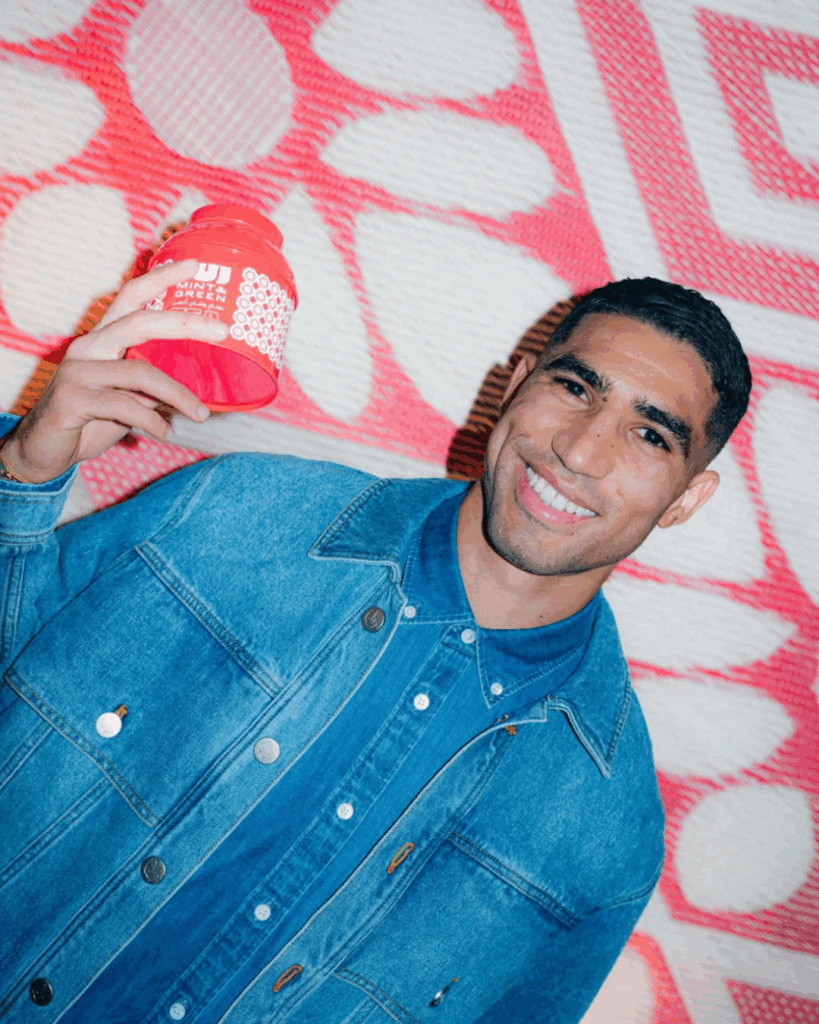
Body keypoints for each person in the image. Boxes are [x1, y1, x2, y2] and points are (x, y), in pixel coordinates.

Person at [0, 261, 751, 1024]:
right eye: (573, 387)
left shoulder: (607, 838)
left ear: (685, 499)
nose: (581, 451)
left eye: (650, 435)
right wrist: (24, 470)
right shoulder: (238, 511)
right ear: (516, 383)